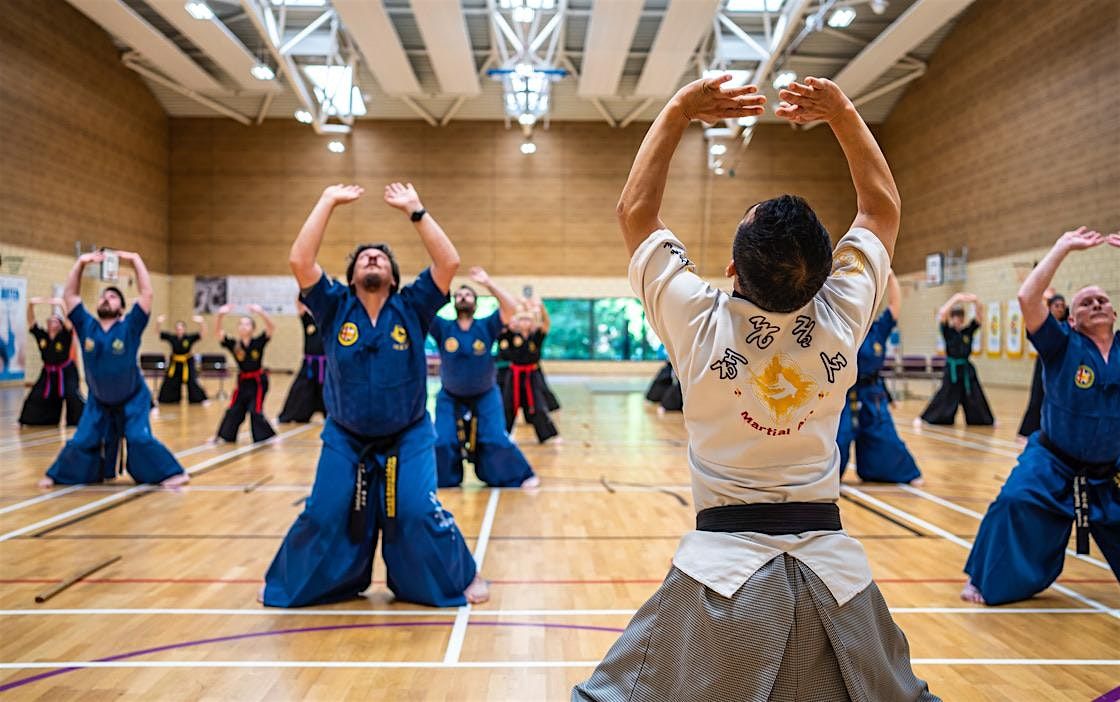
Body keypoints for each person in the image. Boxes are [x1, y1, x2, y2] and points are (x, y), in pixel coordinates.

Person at [573, 75, 934, 700]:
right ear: (828, 273)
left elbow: (635, 211)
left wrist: (683, 107)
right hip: (837, 577)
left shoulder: (700, 322)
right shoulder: (843, 314)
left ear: (733, 268)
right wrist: (842, 113)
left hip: (721, 576)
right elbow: (880, 209)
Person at [262, 182, 487, 608]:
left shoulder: (412, 306)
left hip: (409, 432)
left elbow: (449, 261)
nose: (372, 258)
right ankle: (292, 582)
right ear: (351, 277)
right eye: (365, 256)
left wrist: (416, 210)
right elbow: (300, 259)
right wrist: (326, 200)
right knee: (324, 511)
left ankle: (462, 574)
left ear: (392, 276)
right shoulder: (333, 305)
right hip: (345, 434)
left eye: (381, 257)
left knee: (417, 511)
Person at [962, 227, 1120, 606]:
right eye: (1086, 303)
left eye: (1102, 300)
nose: (1095, 304)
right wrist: (1063, 247)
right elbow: (1027, 297)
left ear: (1114, 312)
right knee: (1013, 502)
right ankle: (985, 579)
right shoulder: (1061, 345)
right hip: (1053, 461)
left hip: (1109, 469)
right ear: (1072, 320)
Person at [41, 251, 187, 488]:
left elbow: (146, 293)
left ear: (121, 308)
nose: (106, 299)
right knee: (81, 440)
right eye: (103, 296)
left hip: (132, 398)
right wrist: (80, 263)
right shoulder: (85, 324)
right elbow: (70, 294)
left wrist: (136, 259)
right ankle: (61, 475)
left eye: (113, 296)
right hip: (98, 401)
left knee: (139, 438)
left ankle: (170, 472)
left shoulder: (130, 325)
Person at [430, 267, 537, 489]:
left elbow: (511, 307)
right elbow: (423, 310)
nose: (463, 297)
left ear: (475, 303)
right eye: (459, 295)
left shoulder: (486, 326)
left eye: (468, 294)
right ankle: (444, 480)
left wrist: (489, 283)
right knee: (442, 440)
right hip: (450, 396)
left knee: (495, 438)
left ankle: (517, 475)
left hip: (485, 394)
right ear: (453, 302)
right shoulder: (443, 327)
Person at [836, 271, 922, 484]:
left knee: (883, 435)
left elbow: (894, 305)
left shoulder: (878, 329)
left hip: (872, 393)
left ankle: (898, 472)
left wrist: (891, 276)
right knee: (841, 435)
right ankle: (825, 479)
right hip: (845, 393)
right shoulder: (841, 325)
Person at [918, 292, 994, 426]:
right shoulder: (948, 331)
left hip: (966, 369)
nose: (957, 320)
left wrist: (976, 301)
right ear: (952, 318)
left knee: (975, 393)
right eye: (955, 317)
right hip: (952, 369)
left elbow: (980, 316)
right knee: (945, 394)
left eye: (960, 317)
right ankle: (926, 418)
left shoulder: (967, 331)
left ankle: (985, 420)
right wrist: (956, 298)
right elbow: (942, 313)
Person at [213, 304, 277, 443]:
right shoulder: (235, 345)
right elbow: (219, 334)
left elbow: (271, 328)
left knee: (255, 410)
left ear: (253, 329)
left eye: (247, 324)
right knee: (234, 409)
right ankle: (224, 436)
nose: (243, 326)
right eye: (241, 324)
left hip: (258, 382)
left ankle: (267, 437)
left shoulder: (258, 342)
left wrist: (261, 312)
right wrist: (220, 315)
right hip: (243, 382)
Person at [18, 297, 84, 427]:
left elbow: (69, 323)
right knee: (36, 395)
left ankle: (81, 421)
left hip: (67, 371)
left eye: (55, 320)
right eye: (50, 320)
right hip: (48, 373)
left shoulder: (64, 335)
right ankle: (38, 420)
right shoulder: (41, 335)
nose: (51, 322)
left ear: (60, 325)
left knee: (72, 395)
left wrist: (61, 305)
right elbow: (31, 321)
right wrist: (31, 305)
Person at [499, 303, 560, 443]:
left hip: (531, 376)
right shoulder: (510, 335)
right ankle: (502, 433)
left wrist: (542, 309)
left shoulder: (536, 336)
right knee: (507, 405)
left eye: (528, 319)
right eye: (522, 319)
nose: (525, 322)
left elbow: (546, 324)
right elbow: (503, 325)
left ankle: (546, 435)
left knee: (538, 405)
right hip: (513, 375)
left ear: (533, 322)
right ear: (517, 322)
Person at [1017, 290, 1068, 441]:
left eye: (1062, 306)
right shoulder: (1044, 322)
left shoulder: (1068, 324)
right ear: (1049, 307)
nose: (1059, 308)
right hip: (1044, 362)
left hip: (1063, 364)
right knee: (1037, 396)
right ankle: (1027, 431)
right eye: (1056, 305)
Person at [277, 298, 327, 423]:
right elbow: (299, 306)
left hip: (326, 364)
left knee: (327, 390)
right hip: (309, 363)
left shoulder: (331, 321)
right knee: (300, 389)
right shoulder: (308, 321)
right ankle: (293, 414)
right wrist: (303, 289)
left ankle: (332, 416)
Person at [155, 315, 208, 405]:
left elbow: (202, 334)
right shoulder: (172, 338)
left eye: (181, 328)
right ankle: (168, 399)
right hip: (175, 363)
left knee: (192, 381)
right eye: (177, 328)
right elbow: (158, 333)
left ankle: (200, 399)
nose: (179, 330)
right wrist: (158, 322)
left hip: (187, 362)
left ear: (184, 329)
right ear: (176, 330)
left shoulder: (189, 338)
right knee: (170, 380)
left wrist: (202, 322)